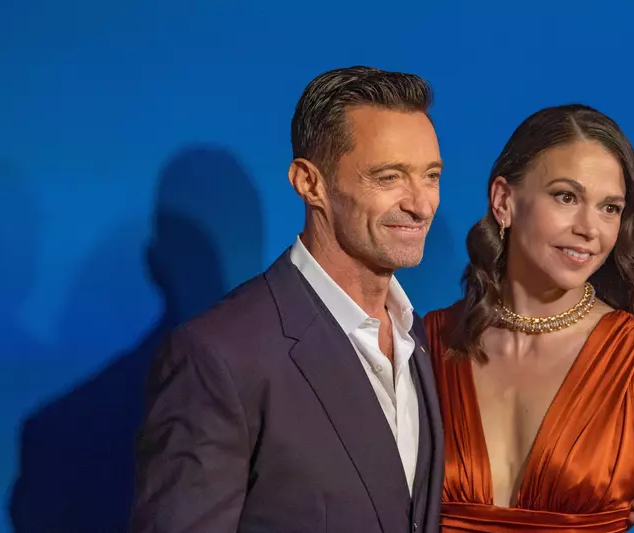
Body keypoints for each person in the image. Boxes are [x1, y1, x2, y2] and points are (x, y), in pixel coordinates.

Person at [129, 66, 445, 533]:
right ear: (309, 182)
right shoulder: (220, 356)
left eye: (431, 176)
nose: (420, 204)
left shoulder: (421, 340)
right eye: (389, 177)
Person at [424, 104, 634, 532]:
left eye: (610, 208)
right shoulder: (426, 343)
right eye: (566, 197)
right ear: (504, 201)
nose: (590, 228)